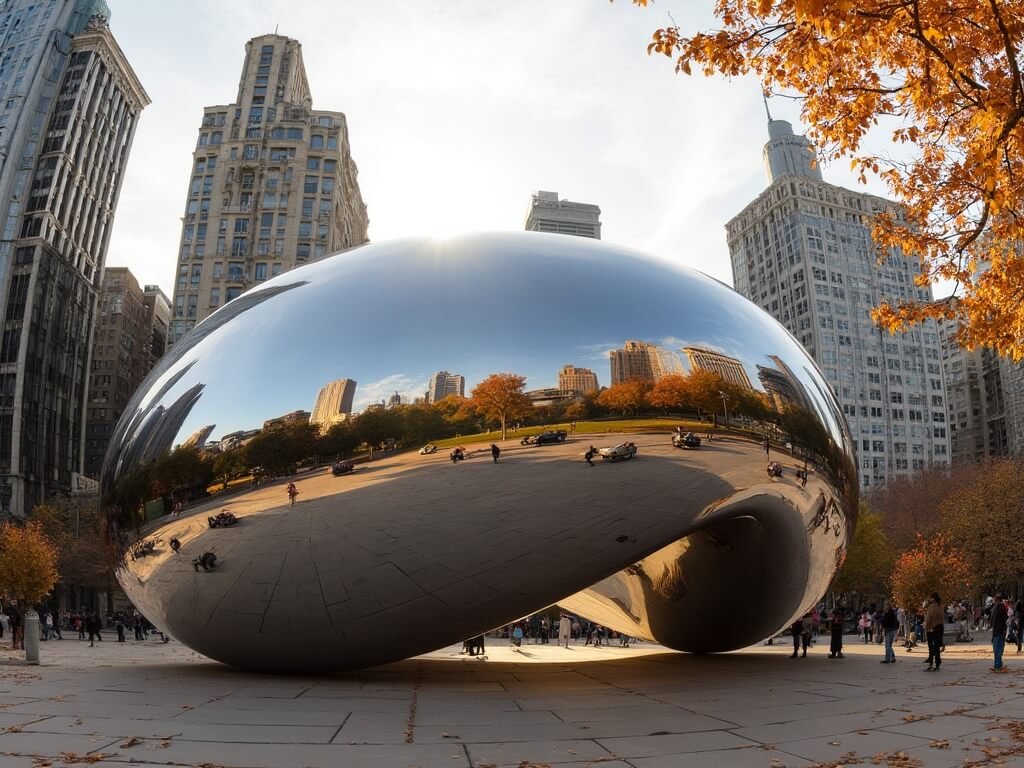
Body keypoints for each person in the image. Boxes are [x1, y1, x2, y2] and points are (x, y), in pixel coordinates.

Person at [925, 593, 944, 671]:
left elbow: (928, 619)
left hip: (931, 628)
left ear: (933, 598)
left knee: (931, 647)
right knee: (937, 647)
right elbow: (942, 619)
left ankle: (930, 664)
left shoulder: (931, 607)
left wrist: (926, 627)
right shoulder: (941, 606)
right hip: (939, 628)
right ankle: (938, 664)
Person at [991, 591, 1009, 672]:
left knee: (997, 648)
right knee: (999, 648)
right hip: (1000, 630)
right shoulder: (1001, 607)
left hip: (997, 630)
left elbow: (993, 619)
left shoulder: (996, 607)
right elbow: (1005, 617)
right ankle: (998, 665)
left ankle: (997, 665)